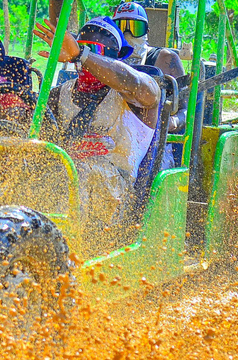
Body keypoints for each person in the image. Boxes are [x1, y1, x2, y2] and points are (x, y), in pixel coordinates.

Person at [33, 15, 160, 228]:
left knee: (76, 171)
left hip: (116, 193)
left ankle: (63, 244)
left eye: (95, 51)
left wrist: (82, 55)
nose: (81, 60)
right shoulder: (60, 94)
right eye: (79, 47)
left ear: (113, 57)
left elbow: (133, 82)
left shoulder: (139, 93)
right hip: (67, 182)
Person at [112, 1, 188, 169]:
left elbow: (186, 110)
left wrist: (172, 122)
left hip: (151, 140)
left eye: (135, 27)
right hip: (112, 136)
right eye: (121, 26)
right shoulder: (105, 58)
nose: (127, 33)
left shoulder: (165, 59)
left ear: (147, 31)